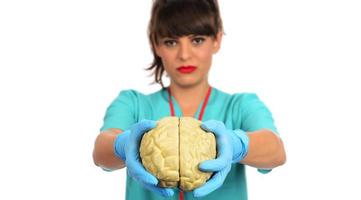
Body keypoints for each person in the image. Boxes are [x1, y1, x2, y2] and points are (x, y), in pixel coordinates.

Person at [92, 0, 286, 199]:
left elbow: (276, 151)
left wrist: (238, 145)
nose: (184, 55)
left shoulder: (241, 105)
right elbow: (100, 151)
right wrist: (122, 146)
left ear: (217, 39)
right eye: (171, 42)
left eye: (197, 40)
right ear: (155, 45)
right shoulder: (132, 103)